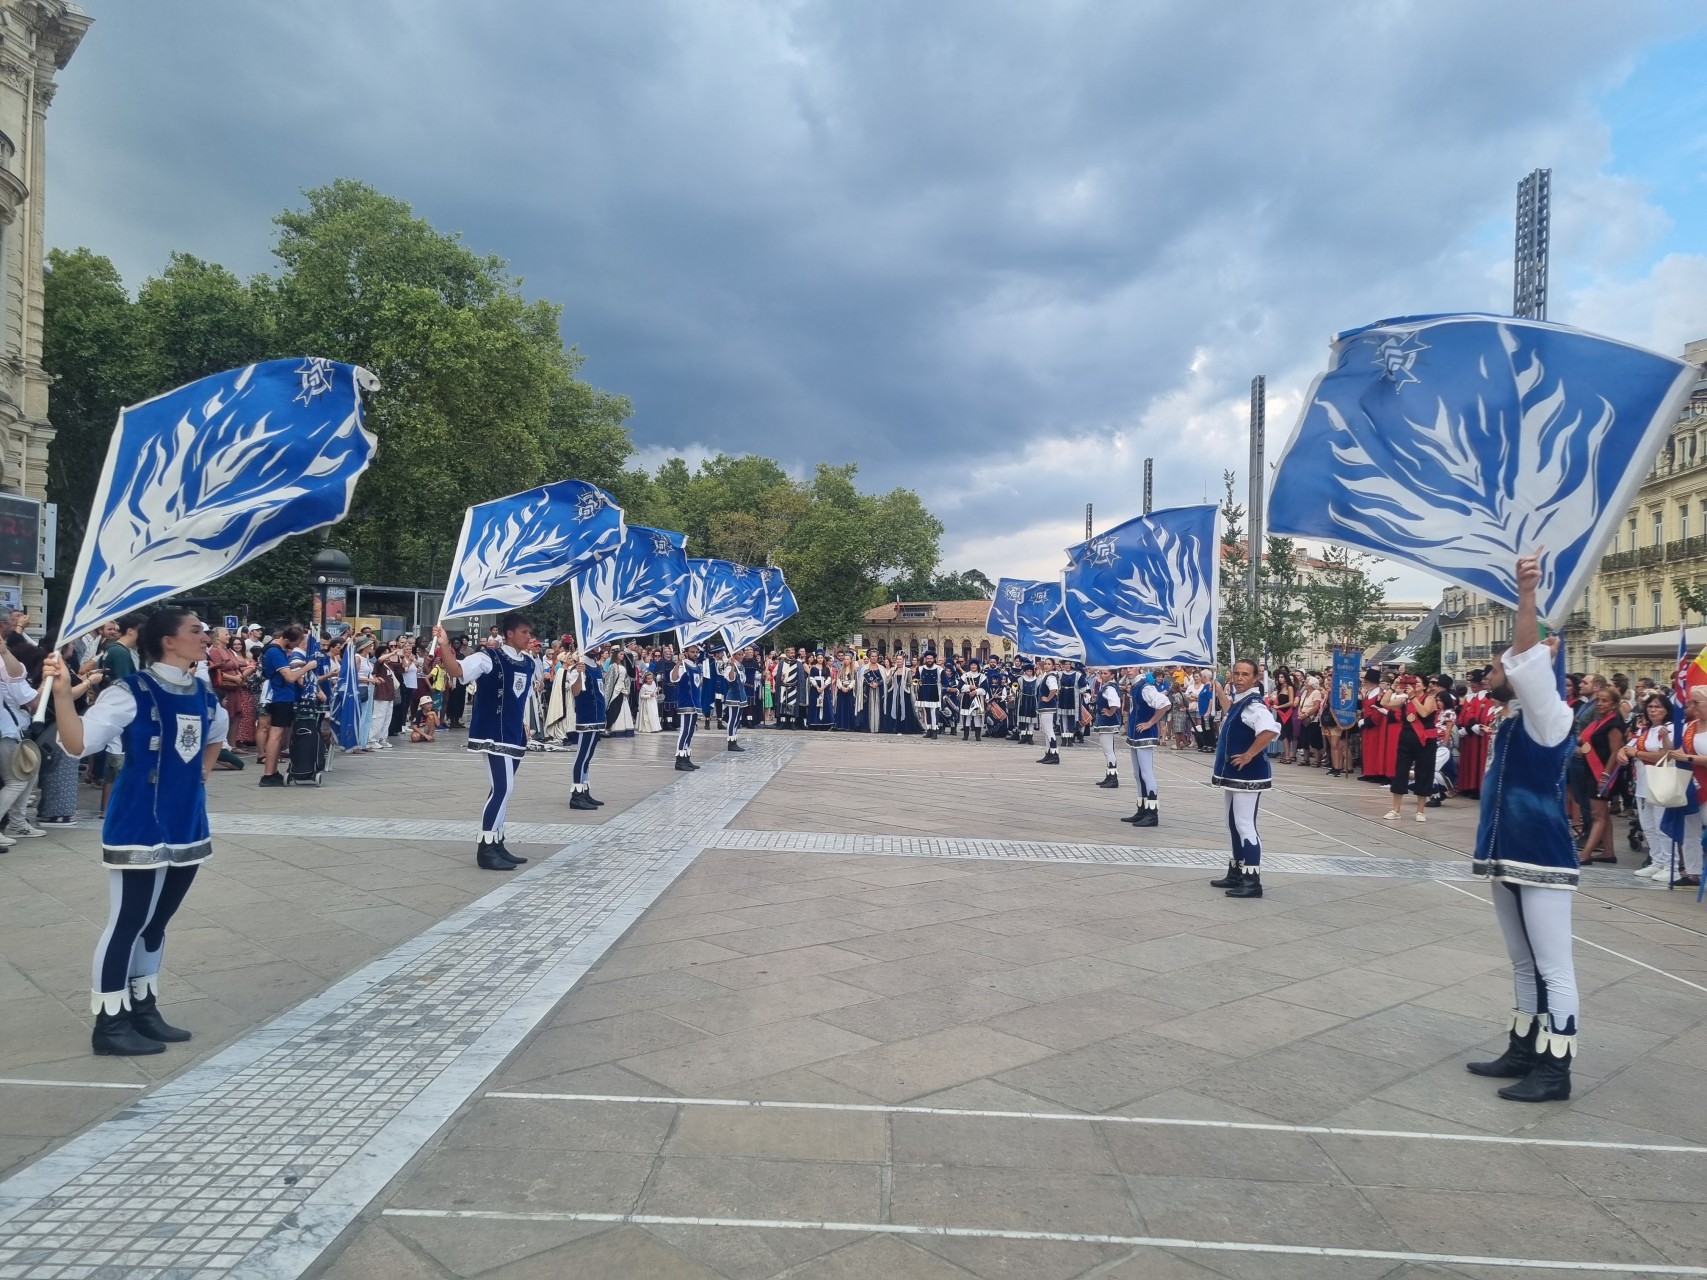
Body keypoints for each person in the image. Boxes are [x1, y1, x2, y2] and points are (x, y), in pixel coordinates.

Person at [44, 610, 226, 1056]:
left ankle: (144, 1007)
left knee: (157, 922)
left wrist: (201, 774)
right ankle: (109, 1021)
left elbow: (215, 734)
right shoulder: (131, 692)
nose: (205, 637)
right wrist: (65, 697)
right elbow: (77, 743)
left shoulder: (203, 693)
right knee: (128, 921)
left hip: (186, 822)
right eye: (196, 631)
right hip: (139, 820)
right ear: (168, 641)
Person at [1464, 552, 1581, 1103]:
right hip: (1505, 855)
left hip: (1541, 858)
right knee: (1521, 960)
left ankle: (1556, 1070)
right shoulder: (1512, 720)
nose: (1491, 672)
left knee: (1554, 965)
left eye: (1496, 667)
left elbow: (1528, 659)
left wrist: (1526, 596)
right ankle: (1524, 1046)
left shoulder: (1548, 714)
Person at [434, 614, 538, 872]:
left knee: (503, 789)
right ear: (510, 633)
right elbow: (457, 671)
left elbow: (521, 697)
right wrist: (445, 644)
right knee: (503, 788)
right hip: (493, 732)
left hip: (514, 732)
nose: (529, 637)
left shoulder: (528, 662)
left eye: (529, 632)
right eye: (524, 632)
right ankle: (486, 847)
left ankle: (498, 842)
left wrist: (525, 722)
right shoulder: (487, 658)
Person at [1210, 659, 1281, 898]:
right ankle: (1236, 871)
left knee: (1244, 824)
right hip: (1234, 774)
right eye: (1236, 674)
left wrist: (1250, 754)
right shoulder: (1241, 702)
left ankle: (1252, 880)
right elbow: (1231, 711)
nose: (1240, 678)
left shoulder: (1254, 705)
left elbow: (1270, 729)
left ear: (1255, 679)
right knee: (1232, 822)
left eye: (1245, 675)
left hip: (1247, 774)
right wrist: (1219, 692)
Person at [97, 613, 144, 813]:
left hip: (112, 708)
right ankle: (110, 808)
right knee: (117, 759)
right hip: (120, 712)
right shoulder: (121, 653)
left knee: (115, 758)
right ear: (132, 630)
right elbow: (128, 684)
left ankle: (109, 807)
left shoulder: (112, 649)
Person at [1576, 682, 1625, 866]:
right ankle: (1608, 851)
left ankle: (1585, 854)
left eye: (1605, 701)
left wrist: (1605, 775)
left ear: (1614, 705)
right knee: (1602, 813)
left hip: (1603, 773)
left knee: (1598, 815)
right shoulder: (1599, 722)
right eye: (1599, 700)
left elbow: (1615, 751)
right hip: (1592, 769)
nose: (1600, 704)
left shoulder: (1613, 724)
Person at [257, 624, 310, 787]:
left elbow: (281, 670)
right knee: (276, 734)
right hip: (281, 696)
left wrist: (294, 666)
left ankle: (272, 771)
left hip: (280, 695)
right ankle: (268, 773)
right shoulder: (275, 651)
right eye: (296, 643)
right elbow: (289, 678)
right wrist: (307, 667)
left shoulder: (273, 650)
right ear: (288, 640)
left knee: (277, 734)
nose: (296, 647)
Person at [1384, 673, 1439, 823]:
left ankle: (1420, 811)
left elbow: (1424, 712)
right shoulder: (1404, 699)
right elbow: (1385, 702)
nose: (1415, 685)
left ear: (1425, 686)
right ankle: (1396, 809)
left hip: (1425, 740)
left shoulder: (1429, 698)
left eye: (1418, 683)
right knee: (1400, 771)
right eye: (1413, 683)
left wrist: (1413, 697)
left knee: (1424, 772)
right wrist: (1393, 686)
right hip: (1407, 739)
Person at [1123, 670, 1172, 825]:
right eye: (1126, 668)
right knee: (1137, 773)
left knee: (1146, 772)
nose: (1128, 670)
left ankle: (1152, 812)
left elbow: (1165, 704)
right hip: (1135, 733)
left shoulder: (1145, 686)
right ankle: (1142, 808)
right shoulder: (1136, 685)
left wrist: (1150, 723)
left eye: (1131, 667)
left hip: (1144, 733)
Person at [567, 646, 607, 809]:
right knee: (582, 755)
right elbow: (575, 692)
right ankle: (576, 794)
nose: (596, 648)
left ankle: (585, 789)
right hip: (586, 716)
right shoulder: (577, 667)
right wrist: (580, 674)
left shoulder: (597, 667)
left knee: (588, 756)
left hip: (597, 716)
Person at [672, 642, 705, 770]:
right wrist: (679, 663)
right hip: (686, 701)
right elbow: (673, 678)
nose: (695, 654)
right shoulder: (683, 665)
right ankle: (679, 760)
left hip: (695, 703)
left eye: (696, 652)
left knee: (690, 732)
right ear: (686, 652)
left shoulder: (696, 666)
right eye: (692, 652)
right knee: (684, 731)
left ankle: (686, 757)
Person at [1092, 669, 1123, 790]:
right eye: (1102, 673)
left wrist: (1110, 712)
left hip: (1107, 722)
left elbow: (1115, 702)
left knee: (1108, 751)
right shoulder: (1107, 686)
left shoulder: (1110, 688)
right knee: (1108, 750)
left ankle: (1112, 778)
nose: (1103, 675)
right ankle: (1110, 775)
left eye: (1105, 673)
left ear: (1112, 675)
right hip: (1106, 721)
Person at [721, 651, 748, 753]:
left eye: (742, 654)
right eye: (738, 654)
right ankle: (731, 741)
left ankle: (734, 738)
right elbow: (731, 679)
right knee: (732, 719)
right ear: (734, 655)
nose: (741, 656)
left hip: (741, 695)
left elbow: (743, 681)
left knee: (737, 719)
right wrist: (732, 666)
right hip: (733, 695)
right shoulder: (729, 666)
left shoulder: (741, 666)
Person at [1036, 658, 1061, 765]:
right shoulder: (1046, 676)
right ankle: (1048, 753)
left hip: (1047, 707)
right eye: (1045, 664)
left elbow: (1054, 689)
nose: (1046, 666)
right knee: (1046, 731)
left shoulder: (1051, 677)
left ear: (1053, 666)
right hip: (1044, 707)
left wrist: (1048, 698)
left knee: (1049, 730)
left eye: (1049, 664)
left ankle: (1054, 754)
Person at [915, 650, 943, 739]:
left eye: (931, 658)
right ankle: (929, 730)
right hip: (924, 691)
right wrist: (918, 683)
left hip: (934, 692)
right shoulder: (920, 669)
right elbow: (915, 680)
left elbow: (945, 682)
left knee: (933, 712)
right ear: (925, 659)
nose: (929, 660)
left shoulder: (939, 669)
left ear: (934, 659)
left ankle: (935, 730)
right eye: (928, 658)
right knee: (926, 711)